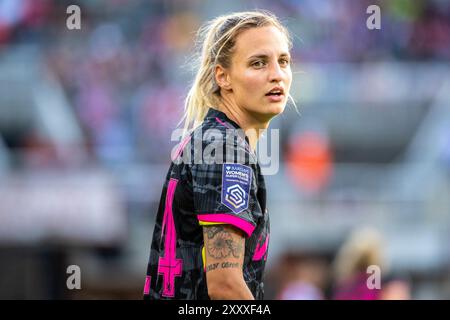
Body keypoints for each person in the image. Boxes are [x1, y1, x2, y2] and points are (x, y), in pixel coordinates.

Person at [143, 10, 293, 299]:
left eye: (283, 61)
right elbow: (225, 286)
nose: (276, 74)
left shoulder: (215, 139)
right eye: (258, 63)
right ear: (223, 77)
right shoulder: (225, 148)